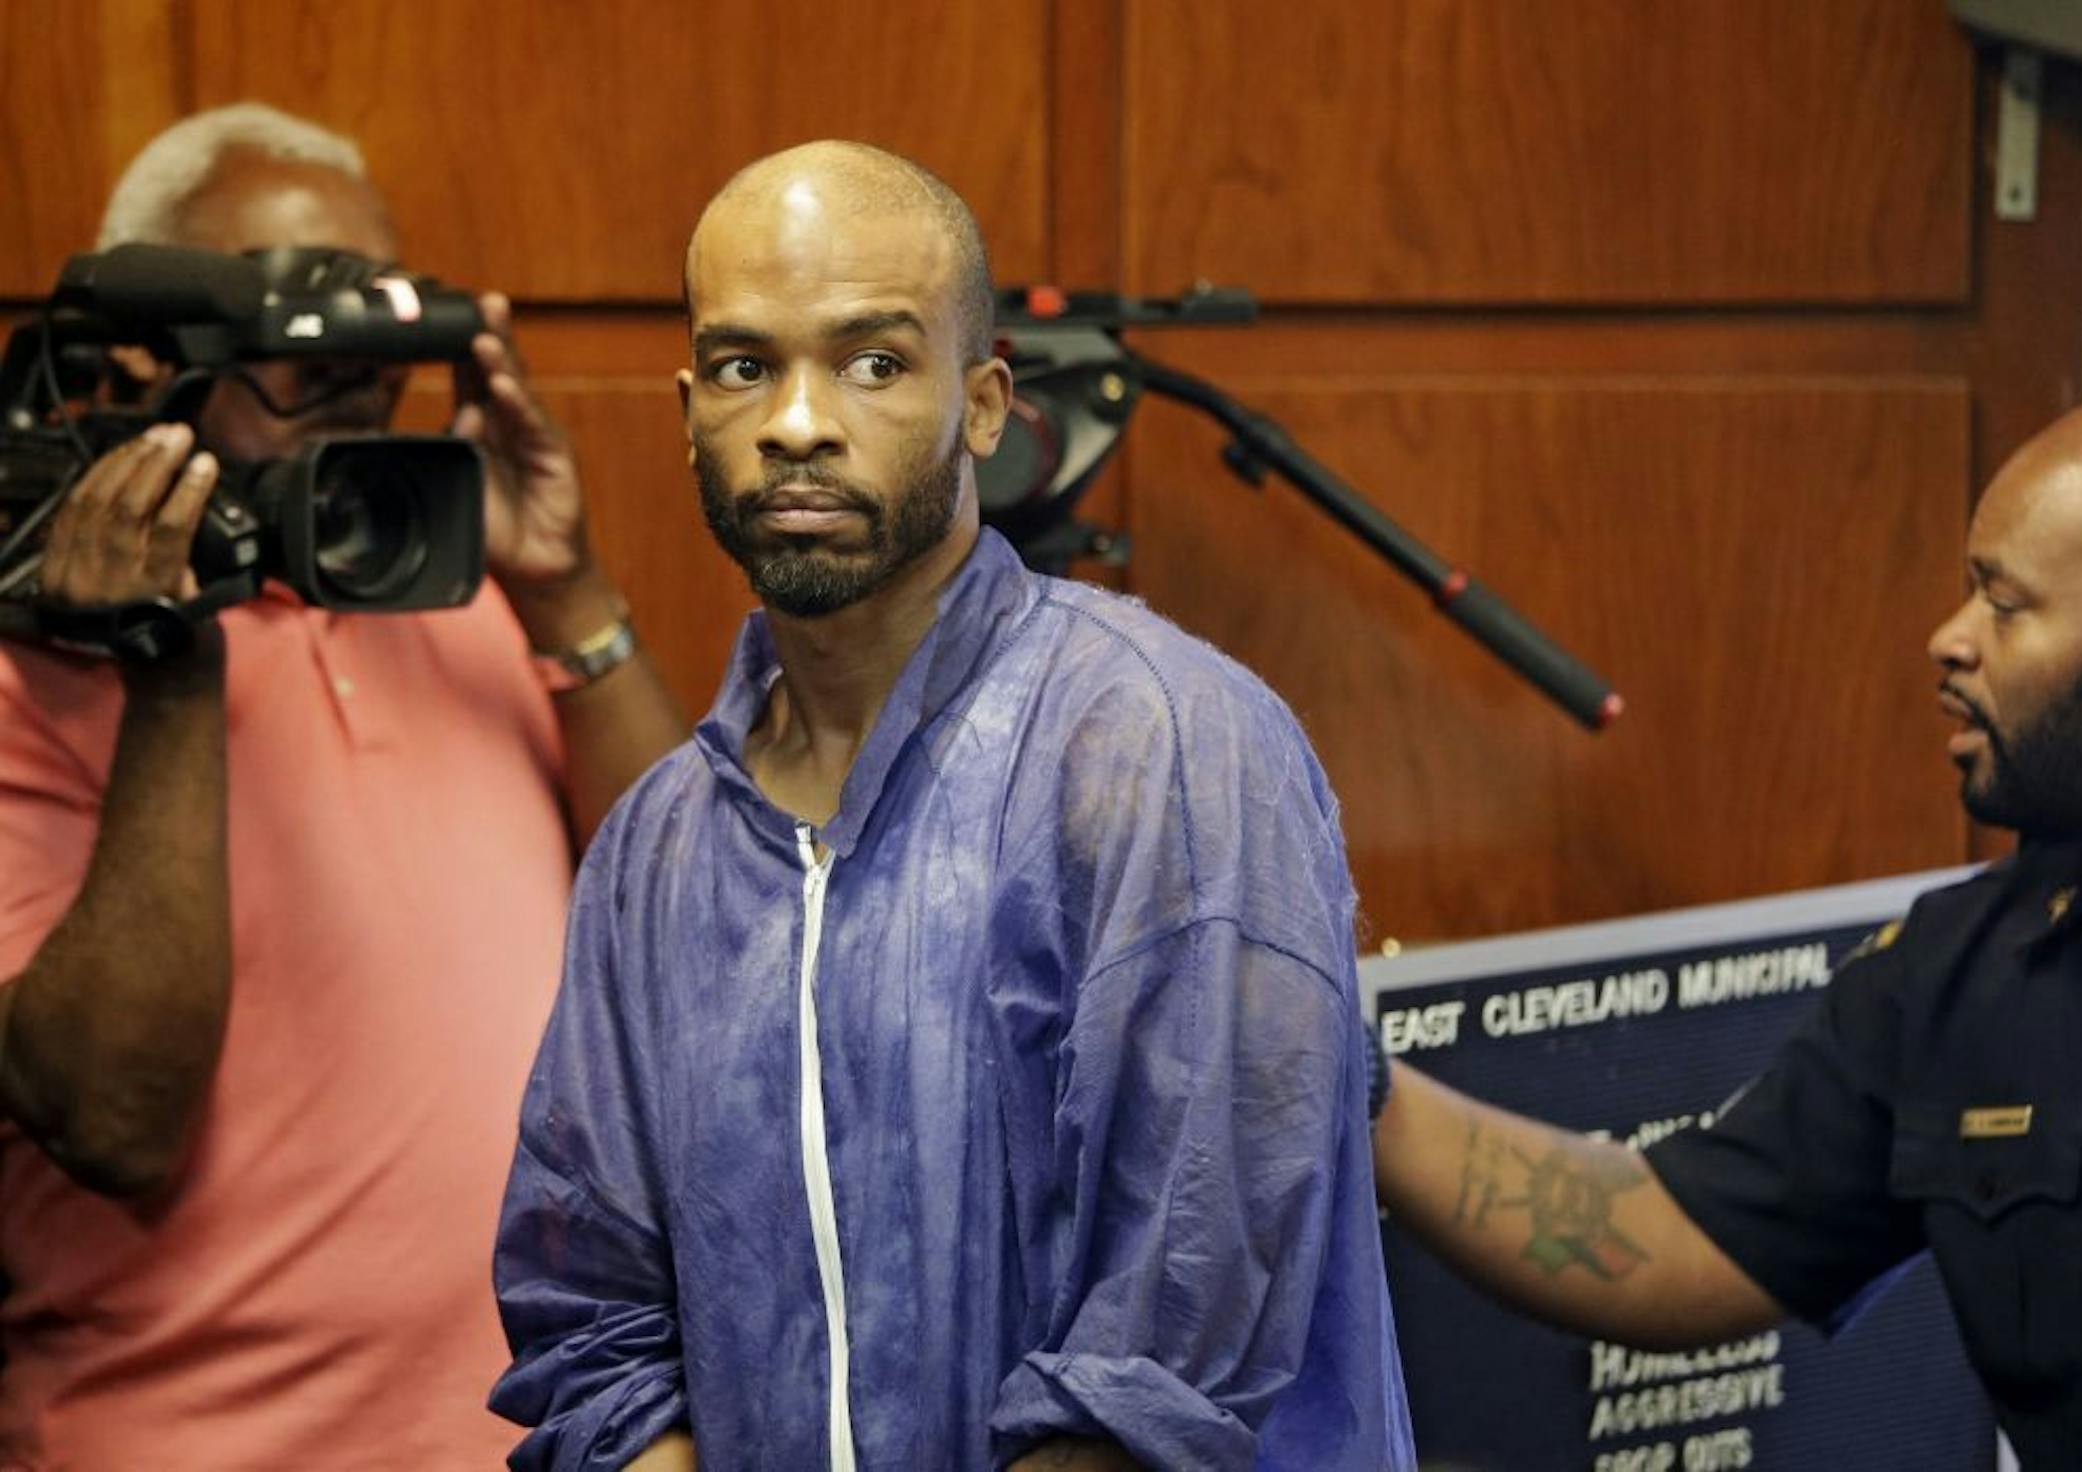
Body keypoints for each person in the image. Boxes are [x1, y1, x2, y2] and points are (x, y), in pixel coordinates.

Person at [489, 140, 1415, 1472]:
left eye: (873, 363)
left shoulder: (1157, 744)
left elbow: (1165, 1361)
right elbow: (597, 1331)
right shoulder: (658, 847)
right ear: (688, 411)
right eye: (745, 367)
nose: (797, 423)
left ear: (984, 406)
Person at [0, 104, 685, 1467]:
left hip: (541, 1434)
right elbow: (112, 1120)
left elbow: (698, 936)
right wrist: (170, 662)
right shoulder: (39, 661)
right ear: (147, 348)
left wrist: (563, 590)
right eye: (299, 323)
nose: (354, 370)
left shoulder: (449, 586)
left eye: (372, 319)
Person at [1369, 391, 2082, 1471]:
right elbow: (1671, 1236)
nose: (1949, 638)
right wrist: (1351, 1084)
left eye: (2005, 604)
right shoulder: (1961, 974)